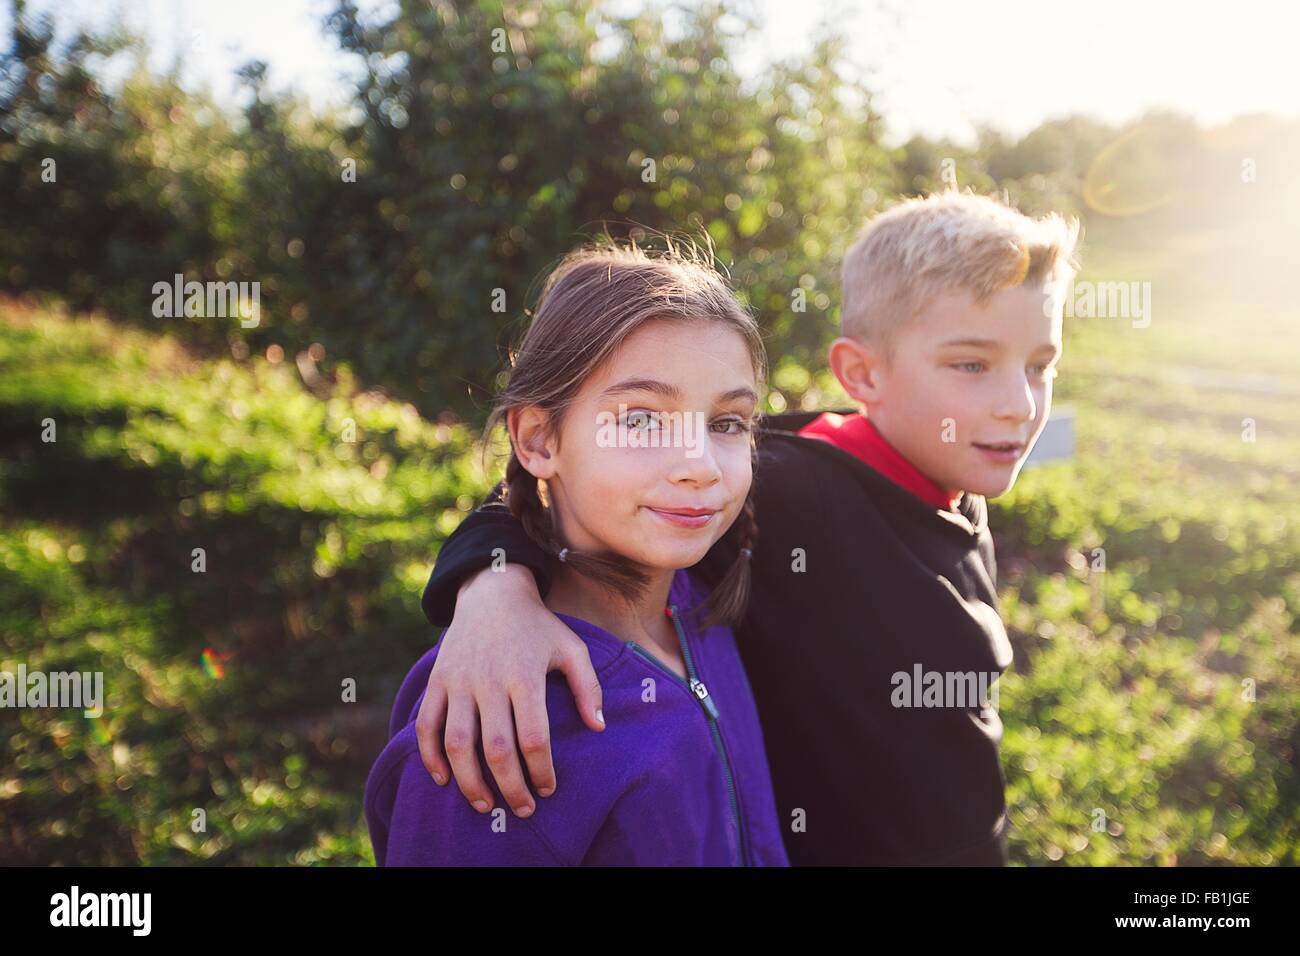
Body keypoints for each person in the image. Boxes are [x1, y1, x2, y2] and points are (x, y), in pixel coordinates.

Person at [415, 191, 1081, 865]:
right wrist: (493, 592)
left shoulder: (955, 473)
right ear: (861, 373)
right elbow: (556, 486)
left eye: (1039, 367)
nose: (1019, 405)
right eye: (971, 364)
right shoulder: (787, 490)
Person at [365, 240, 789, 865]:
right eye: (642, 419)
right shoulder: (500, 712)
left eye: (727, 423)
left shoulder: (699, 602)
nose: (700, 466)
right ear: (539, 438)